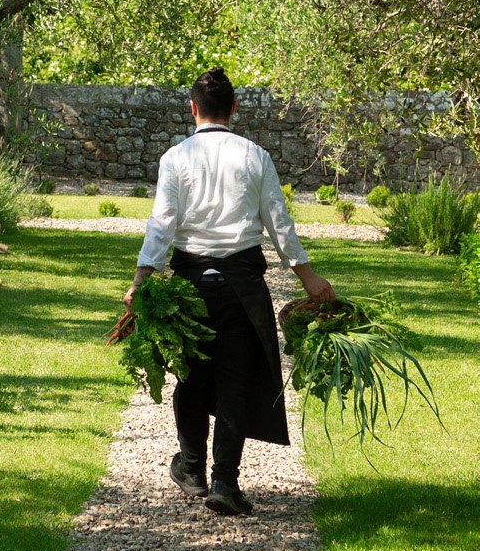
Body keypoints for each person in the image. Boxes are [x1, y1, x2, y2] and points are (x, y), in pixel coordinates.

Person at [125, 67, 334, 515]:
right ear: (234, 109)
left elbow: (162, 225)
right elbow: (278, 222)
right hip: (242, 286)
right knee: (235, 381)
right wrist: (307, 277)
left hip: (188, 287)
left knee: (191, 376)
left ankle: (193, 469)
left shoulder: (175, 158)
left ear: (193, 108)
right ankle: (224, 482)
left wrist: (141, 281)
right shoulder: (255, 155)